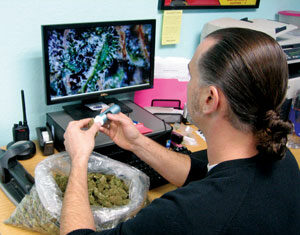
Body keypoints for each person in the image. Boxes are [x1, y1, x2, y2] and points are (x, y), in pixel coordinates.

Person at [61, 28, 300, 235]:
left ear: (209, 98)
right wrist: (136, 142)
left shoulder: (185, 215)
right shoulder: (282, 159)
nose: (187, 84)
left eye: (191, 75)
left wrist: (80, 158)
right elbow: (201, 174)